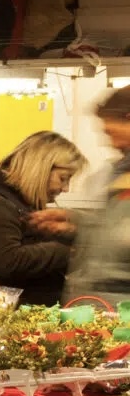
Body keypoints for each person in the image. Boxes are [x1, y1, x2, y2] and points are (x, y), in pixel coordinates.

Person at [0, 131, 85, 304]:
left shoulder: (20, 203)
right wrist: (63, 252)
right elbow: (8, 262)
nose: (65, 188)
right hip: (4, 317)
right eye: (63, 178)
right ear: (40, 169)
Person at [67, 88, 130, 303]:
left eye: (111, 132)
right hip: (107, 306)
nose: (110, 143)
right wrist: (76, 222)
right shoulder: (120, 173)